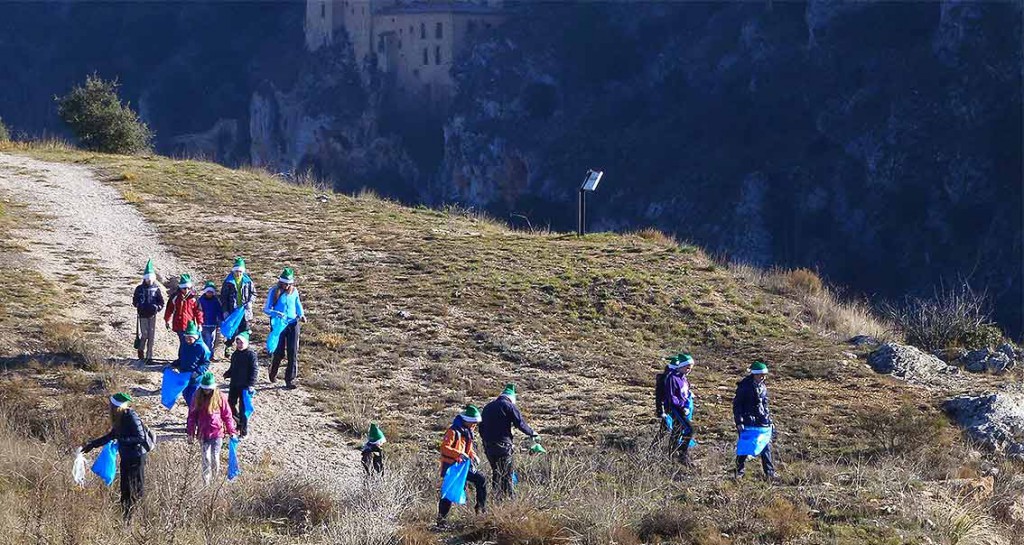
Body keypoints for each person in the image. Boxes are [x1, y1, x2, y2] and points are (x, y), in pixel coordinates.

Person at [81, 392, 151, 519]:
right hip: (126, 456)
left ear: (115, 406)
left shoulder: (130, 416)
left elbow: (140, 437)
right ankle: (126, 518)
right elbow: (111, 435)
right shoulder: (119, 417)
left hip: (137, 457)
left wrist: (122, 440)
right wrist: (92, 445)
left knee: (136, 488)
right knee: (125, 489)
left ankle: (139, 518)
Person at [479, 383, 538, 499]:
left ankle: (496, 498)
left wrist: (485, 441)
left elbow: (481, 427)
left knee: (496, 472)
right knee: (507, 474)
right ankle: (509, 500)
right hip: (504, 446)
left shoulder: (487, 407)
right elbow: (520, 423)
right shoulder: (509, 406)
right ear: (512, 398)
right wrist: (532, 432)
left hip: (489, 446)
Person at [437, 405, 486, 527]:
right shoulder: (453, 431)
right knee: (448, 493)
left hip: (462, 468)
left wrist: (473, 455)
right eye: (473, 423)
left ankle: (480, 510)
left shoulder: (467, 432)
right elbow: (444, 448)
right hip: (452, 467)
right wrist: (459, 453)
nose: (475, 425)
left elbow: (467, 449)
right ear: (467, 421)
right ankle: (441, 521)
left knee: (481, 480)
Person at [186, 371, 238, 485]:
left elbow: (227, 415)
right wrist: (190, 433)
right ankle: (206, 483)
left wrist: (231, 431)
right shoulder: (196, 396)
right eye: (205, 388)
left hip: (217, 433)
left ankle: (215, 482)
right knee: (206, 459)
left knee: (215, 458)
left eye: (209, 389)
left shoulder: (220, 397)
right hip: (203, 433)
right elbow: (192, 416)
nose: (207, 391)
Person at [264, 267, 306, 389]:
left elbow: (298, 304)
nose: (287, 286)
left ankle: (290, 380)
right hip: (278, 324)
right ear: (280, 282)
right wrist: (276, 313)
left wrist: (301, 314)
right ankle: (273, 371)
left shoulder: (295, 291)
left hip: (293, 323)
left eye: (289, 284)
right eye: (284, 283)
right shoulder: (274, 291)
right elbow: (266, 309)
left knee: (293, 351)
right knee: (279, 352)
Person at [733, 361, 776, 480]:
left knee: (765, 447)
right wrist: (739, 422)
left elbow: (765, 405)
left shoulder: (762, 387)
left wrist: (769, 420)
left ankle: (769, 473)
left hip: (761, 422)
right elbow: (737, 405)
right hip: (748, 422)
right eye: (760, 375)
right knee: (745, 448)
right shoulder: (744, 387)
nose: (763, 377)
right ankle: (738, 473)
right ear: (754, 374)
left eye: (764, 375)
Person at [657, 353, 696, 464]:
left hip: (683, 408)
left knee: (677, 430)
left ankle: (671, 455)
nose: (689, 370)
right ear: (681, 366)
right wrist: (681, 406)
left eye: (691, 368)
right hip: (675, 409)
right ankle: (682, 454)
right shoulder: (672, 378)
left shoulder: (684, 378)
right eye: (687, 367)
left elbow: (685, 394)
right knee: (689, 429)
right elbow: (671, 396)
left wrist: (687, 404)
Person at [223, 330, 258, 437]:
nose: (239, 345)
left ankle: (244, 431)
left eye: (241, 343)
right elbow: (233, 367)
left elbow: (254, 370)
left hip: (245, 387)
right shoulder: (235, 354)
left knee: (244, 409)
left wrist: (251, 384)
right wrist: (228, 373)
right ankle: (238, 421)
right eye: (237, 343)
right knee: (230, 404)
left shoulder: (251, 355)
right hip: (234, 384)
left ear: (246, 343)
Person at [220, 257, 256, 359]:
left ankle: (243, 349)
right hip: (232, 311)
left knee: (245, 330)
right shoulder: (228, 282)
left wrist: (250, 302)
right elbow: (223, 298)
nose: (238, 273)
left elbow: (254, 293)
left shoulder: (248, 281)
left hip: (245, 312)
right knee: (232, 330)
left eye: (240, 271)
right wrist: (225, 311)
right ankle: (228, 347)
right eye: (236, 271)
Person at [132, 259, 164, 364]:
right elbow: (134, 300)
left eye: (150, 279)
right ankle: (141, 349)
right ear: (145, 279)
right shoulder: (139, 289)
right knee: (145, 334)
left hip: (152, 315)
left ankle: (149, 357)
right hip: (142, 315)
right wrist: (138, 305)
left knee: (151, 336)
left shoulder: (156, 289)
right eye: (147, 279)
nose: (149, 281)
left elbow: (161, 302)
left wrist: (157, 308)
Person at [164, 274, 204, 359]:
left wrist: (200, 323)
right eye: (184, 288)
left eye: (188, 288)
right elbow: (169, 309)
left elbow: (198, 311)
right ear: (180, 288)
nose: (186, 290)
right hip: (179, 324)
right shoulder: (175, 297)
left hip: (190, 325)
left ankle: (188, 358)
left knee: (190, 342)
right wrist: (167, 320)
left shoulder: (193, 298)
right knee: (183, 342)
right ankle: (182, 359)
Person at [175, 320, 211, 407]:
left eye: (190, 338)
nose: (188, 340)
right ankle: (193, 415)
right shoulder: (184, 345)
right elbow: (181, 359)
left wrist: (197, 372)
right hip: (184, 376)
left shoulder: (202, 348)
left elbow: (206, 363)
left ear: (196, 337)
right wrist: (174, 364)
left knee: (193, 398)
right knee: (186, 395)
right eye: (186, 338)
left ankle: (196, 417)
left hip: (196, 379)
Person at [198, 281, 224, 360]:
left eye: (211, 292)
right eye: (208, 292)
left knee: (211, 340)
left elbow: (219, 311)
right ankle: (204, 355)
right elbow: (198, 311)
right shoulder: (201, 300)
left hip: (212, 324)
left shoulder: (216, 301)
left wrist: (220, 321)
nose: (209, 293)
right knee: (204, 340)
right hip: (203, 323)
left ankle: (210, 355)